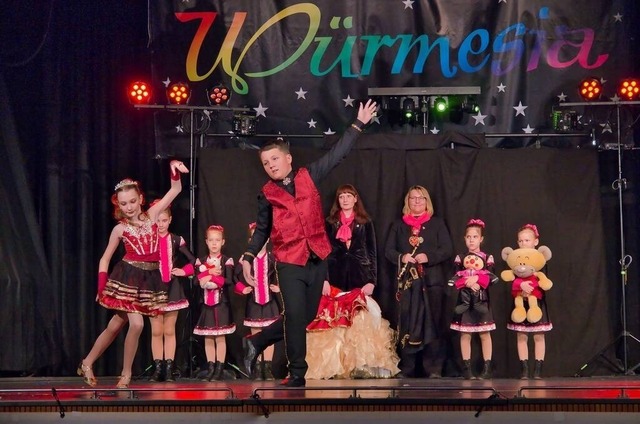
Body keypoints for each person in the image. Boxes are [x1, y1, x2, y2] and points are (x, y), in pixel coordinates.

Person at [241, 99, 378, 387]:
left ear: (288, 159)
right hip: (289, 261)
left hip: (317, 258)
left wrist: (358, 124)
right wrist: (248, 256)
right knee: (293, 314)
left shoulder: (309, 176)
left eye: (274, 159)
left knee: (306, 316)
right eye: (265, 163)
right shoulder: (266, 194)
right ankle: (297, 373)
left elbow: (337, 154)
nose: (271, 165)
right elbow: (262, 230)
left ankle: (257, 341)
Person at [78, 160, 189, 389]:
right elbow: (104, 259)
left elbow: (176, 189)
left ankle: (87, 362)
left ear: (140, 199)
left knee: (115, 326)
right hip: (127, 278)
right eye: (123, 203)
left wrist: (173, 168)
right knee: (137, 324)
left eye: (132, 201)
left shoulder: (153, 215)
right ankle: (126, 373)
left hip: (149, 280)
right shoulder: (119, 229)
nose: (128, 207)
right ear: (118, 205)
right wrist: (101, 286)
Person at [306, 184, 399, 379]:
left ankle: (360, 364)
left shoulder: (365, 222)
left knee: (360, 319)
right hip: (336, 276)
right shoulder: (330, 223)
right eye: (342, 197)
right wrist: (324, 279)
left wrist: (372, 281)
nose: (345, 200)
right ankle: (337, 366)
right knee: (336, 320)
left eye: (349, 196)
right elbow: (322, 253)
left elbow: (372, 253)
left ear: (355, 199)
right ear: (338, 201)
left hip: (360, 277)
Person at [384, 185, 453, 378]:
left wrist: (428, 257)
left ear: (426, 201)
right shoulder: (398, 225)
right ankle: (407, 368)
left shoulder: (437, 224)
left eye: (420, 198)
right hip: (408, 284)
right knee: (408, 322)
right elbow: (388, 251)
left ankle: (434, 369)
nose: (416, 201)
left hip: (432, 283)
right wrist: (402, 257)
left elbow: (447, 249)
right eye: (413, 198)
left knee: (433, 324)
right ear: (407, 201)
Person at [148, 203, 196, 382]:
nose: (160, 224)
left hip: (173, 288)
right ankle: (157, 369)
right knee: (156, 331)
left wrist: (184, 271)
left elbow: (193, 261)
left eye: (164, 220)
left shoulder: (176, 240)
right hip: (153, 288)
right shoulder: (149, 240)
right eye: (157, 221)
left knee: (169, 330)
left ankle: (169, 369)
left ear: (170, 220)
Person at [449, 219, 498, 380]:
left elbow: (491, 277)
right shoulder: (461, 257)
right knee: (465, 334)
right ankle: (467, 369)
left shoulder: (487, 257)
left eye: (475, 237)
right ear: (464, 238)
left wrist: (478, 280)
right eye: (468, 237)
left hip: (482, 300)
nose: (471, 240)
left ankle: (487, 368)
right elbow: (455, 277)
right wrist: (467, 282)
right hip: (464, 300)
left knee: (484, 333)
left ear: (481, 239)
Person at [234, 222, 281, 380]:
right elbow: (234, 276)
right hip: (253, 301)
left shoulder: (272, 257)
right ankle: (258, 367)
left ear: (267, 239)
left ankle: (267, 367)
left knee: (270, 335)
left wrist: (279, 287)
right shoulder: (245, 259)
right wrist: (242, 288)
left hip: (269, 301)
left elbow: (282, 273)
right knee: (256, 335)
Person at [508, 223, 553, 379]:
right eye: (520, 241)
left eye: (527, 240)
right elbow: (510, 279)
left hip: (536, 302)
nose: (523, 243)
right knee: (521, 335)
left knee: (539, 335)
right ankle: (525, 370)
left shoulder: (541, 261)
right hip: (520, 301)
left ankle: (538, 370)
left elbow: (544, 282)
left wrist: (532, 288)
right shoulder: (516, 261)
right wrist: (520, 286)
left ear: (535, 242)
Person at [193, 225, 236, 381]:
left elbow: (229, 280)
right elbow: (196, 281)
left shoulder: (226, 261)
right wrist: (207, 273)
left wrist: (211, 277)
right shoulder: (201, 261)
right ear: (206, 241)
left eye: (217, 240)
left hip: (221, 303)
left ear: (223, 242)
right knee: (208, 336)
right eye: (211, 240)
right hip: (206, 303)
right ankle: (210, 368)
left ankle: (219, 368)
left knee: (220, 336)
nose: (214, 243)